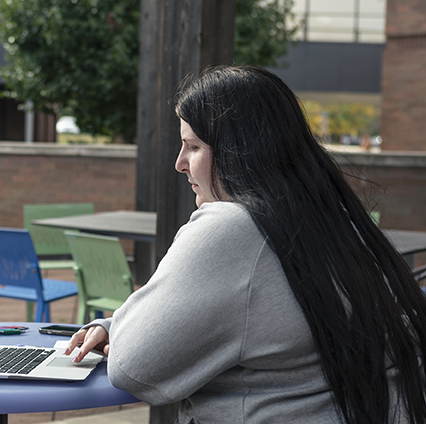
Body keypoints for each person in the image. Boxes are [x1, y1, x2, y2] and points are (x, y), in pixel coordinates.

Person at [64, 65, 426, 424]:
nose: (180, 163)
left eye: (193, 146)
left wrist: (121, 329)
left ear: (240, 150)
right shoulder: (341, 225)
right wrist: (117, 326)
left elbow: (133, 369)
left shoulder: (232, 227)